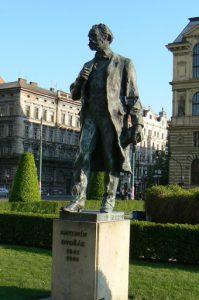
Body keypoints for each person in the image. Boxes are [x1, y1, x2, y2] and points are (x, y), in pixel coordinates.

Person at [63, 23, 143, 213]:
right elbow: (74, 94)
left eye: (93, 37)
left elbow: (132, 96)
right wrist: (81, 80)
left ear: (106, 37)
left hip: (112, 118)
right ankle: (78, 199)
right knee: (82, 155)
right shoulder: (88, 65)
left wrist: (137, 123)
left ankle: (108, 199)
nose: (90, 41)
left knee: (111, 158)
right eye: (89, 38)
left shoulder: (124, 63)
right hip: (90, 116)